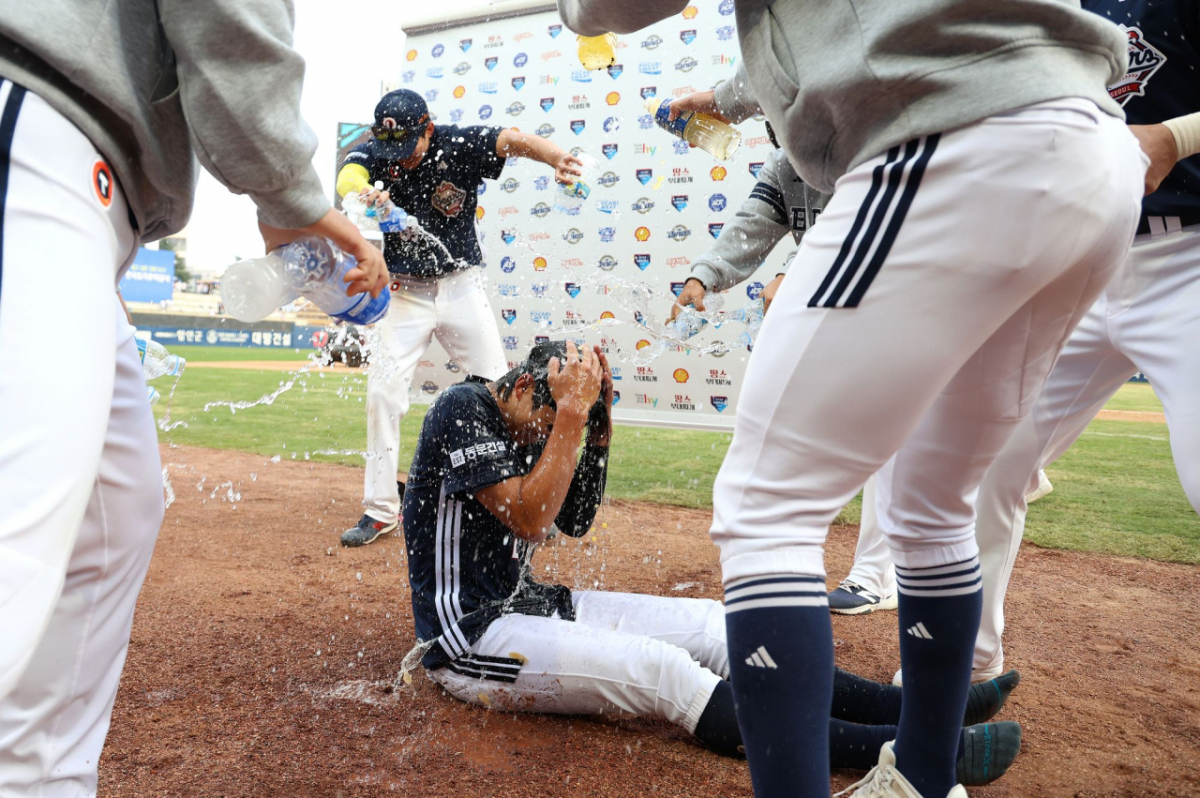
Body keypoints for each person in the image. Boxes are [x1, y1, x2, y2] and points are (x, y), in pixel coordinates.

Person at [558, 2, 1145, 797]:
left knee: (768, 507)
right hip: (1093, 151)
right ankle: (923, 782)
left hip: (945, 137)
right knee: (935, 500)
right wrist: (729, 99)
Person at [0, 2, 386, 795]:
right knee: (18, 550)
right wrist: (290, 197)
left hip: (92, 190)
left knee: (114, 519)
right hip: (34, 123)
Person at [400, 340, 1023, 783]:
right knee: (666, 671)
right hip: (470, 639)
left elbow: (573, 517)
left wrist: (597, 428)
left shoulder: (546, 417)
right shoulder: (462, 408)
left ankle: (920, 714)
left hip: (536, 605)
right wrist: (568, 415)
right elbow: (533, 517)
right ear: (528, 386)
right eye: (546, 418)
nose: (541, 441)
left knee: (719, 627)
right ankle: (911, 749)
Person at [830, 0, 1200, 681]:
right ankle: (956, 687)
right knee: (977, 466)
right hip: (1072, 254)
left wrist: (1175, 137)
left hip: (1188, 261)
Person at [337, 88, 583, 548]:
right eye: (390, 147)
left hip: (460, 285)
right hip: (406, 292)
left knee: (504, 388)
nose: (400, 158)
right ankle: (380, 509)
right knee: (382, 392)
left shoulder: (457, 143)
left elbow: (512, 140)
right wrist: (362, 191)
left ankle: (516, 501)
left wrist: (555, 159)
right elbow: (349, 174)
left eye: (408, 144)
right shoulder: (376, 151)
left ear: (428, 128)